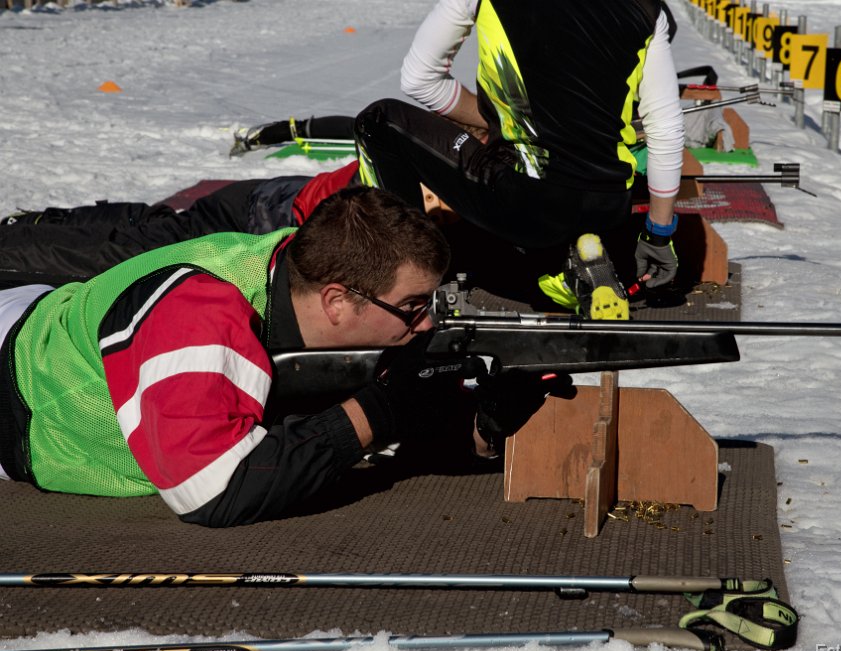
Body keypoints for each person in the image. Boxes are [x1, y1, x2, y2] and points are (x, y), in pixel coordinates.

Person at [0, 186, 571, 528]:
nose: (426, 324)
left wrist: (477, 426)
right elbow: (214, 491)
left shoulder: (298, 274)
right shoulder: (199, 312)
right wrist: (387, 406)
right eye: (413, 307)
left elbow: (322, 409)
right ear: (337, 301)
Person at [354, 0, 686, 321]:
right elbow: (666, 130)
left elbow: (419, 79)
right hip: (609, 204)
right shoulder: (648, 8)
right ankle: (574, 270)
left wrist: (502, 120)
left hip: (528, 199)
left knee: (379, 121)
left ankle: (395, 281)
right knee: (542, 230)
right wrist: (658, 235)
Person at [0, 162, 362, 287]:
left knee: (153, 231)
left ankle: (40, 224)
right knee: (130, 259)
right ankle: (15, 243)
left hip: (257, 207)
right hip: (246, 222)